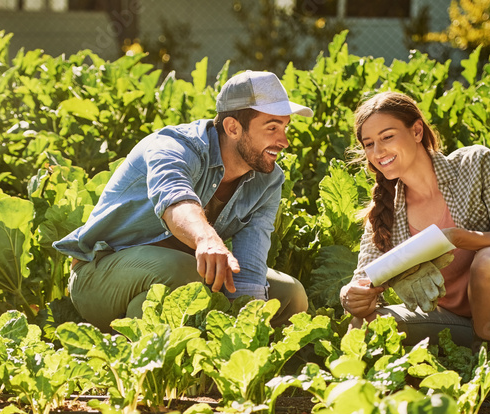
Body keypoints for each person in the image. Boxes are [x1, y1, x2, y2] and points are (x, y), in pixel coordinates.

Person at [53, 70, 312, 332]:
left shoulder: (268, 180)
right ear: (233, 127)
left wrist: (245, 329)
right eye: (272, 128)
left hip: (186, 274)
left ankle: (210, 362)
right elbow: (175, 201)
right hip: (100, 274)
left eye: (284, 127)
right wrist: (205, 238)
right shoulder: (173, 146)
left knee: (290, 295)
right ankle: (143, 362)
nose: (284, 141)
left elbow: (249, 270)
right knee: (184, 273)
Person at [339, 91, 490, 349]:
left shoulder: (475, 164)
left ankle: (488, 372)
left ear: (416, 131)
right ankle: (464, 369)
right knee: (365, 325)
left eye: (387, 137)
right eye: (369, 144)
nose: (378, 151)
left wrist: (458, 238)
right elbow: (362, 279)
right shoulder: (384, 212)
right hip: (457, 324)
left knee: (489, 260)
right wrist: (351, 297)